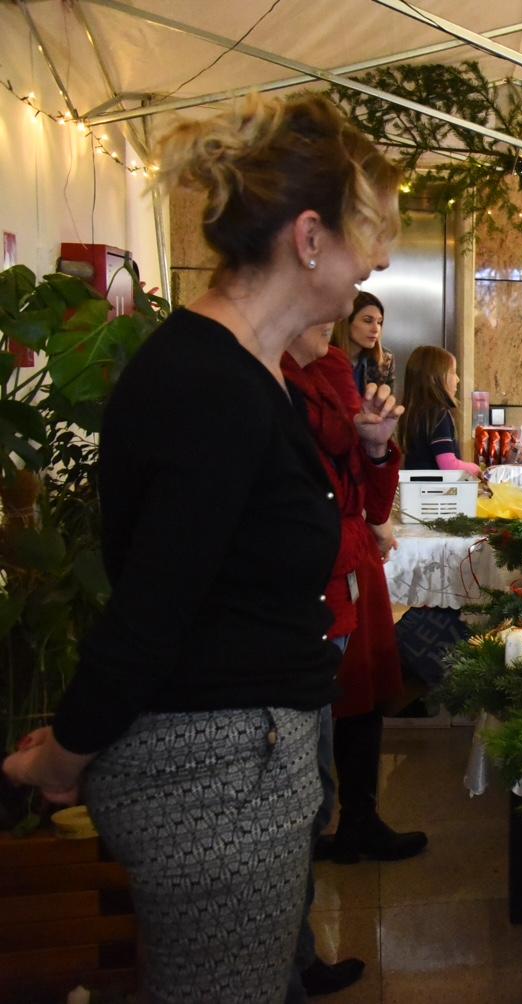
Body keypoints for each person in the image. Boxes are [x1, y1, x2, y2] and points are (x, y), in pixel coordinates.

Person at [2, 93, 401, 1002]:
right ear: (308, 239)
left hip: (240, 763)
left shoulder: (251, 369)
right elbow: (151, 610)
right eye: (363, 237)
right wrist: (64, 756)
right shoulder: (208, 383)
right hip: (213, 786)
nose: (374, 263)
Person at [279, 323, 405, 997]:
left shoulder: (332, 377)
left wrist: (377, 450)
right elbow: (313, 527)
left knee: (311, 793)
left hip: (333, 607)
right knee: (299, 797)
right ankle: (289, 964)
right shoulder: (270, 383)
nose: (346, 314)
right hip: (296, 617)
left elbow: (370, 502)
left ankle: (295, 959)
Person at [398, 346, 481, 475]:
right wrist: (475, 468)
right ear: (434, 378)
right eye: (453, 372)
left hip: (415, 491)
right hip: (437, 492)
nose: (458, 379)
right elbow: (448, 466)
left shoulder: (413, 414)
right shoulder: (438, 414)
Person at [332, 290, 396, 392]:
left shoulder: (385, 360)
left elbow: (386, 403)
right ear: (346, 322)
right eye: (367, 320)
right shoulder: (323, 356)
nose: (376, 329)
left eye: (379, 322)